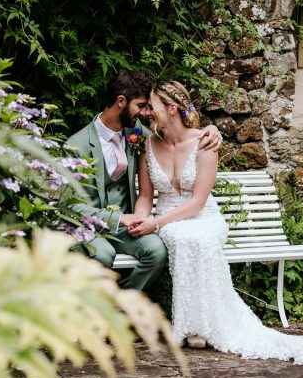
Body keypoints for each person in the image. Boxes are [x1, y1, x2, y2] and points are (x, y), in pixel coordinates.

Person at [128, 80, 303, 366]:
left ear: (171, 110)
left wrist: (155, 223)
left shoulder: (205, 141)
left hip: (202, 216)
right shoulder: (148, 143)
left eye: (152, 107)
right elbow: (146, 196)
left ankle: (204, 326)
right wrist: (141, 217)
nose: (147, 113)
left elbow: (197, 202)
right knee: (183, 238)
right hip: (170, 218)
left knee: (199, 238)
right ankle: (193, 326)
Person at [65, 71, 222, 291]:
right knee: (104, 254)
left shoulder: (138, 134)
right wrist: (120, 218)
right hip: (90, 225)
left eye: (148, 107)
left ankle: (125, 307)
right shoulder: (77, 146)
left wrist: (213, 130)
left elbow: (178, 130)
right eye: (140, 105)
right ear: (121, 101)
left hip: (127, 226)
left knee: (156, 251)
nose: (145, 112)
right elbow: (69, 206)